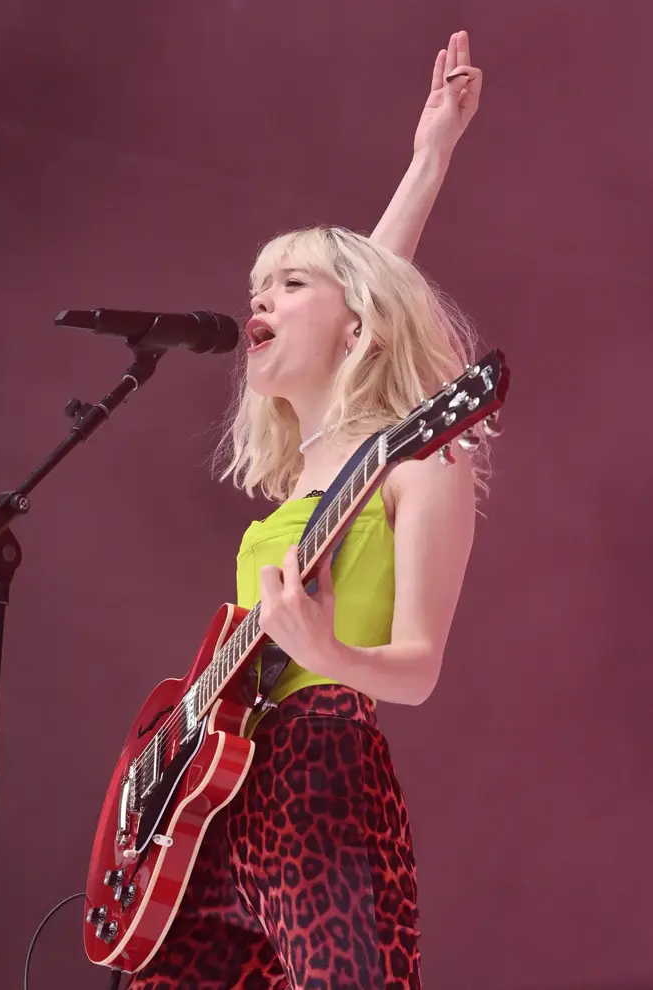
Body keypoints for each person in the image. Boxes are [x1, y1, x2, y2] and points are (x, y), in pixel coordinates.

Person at [130, 29, 483, 990]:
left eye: (290, 284)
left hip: (321, 770)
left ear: (360, 324)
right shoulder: (306, 476)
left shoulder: (418, 464)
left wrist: (432, 156)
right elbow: (363, 288)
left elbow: (416, 670)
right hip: (215, 792)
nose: (263, 301)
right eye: (258, 289)